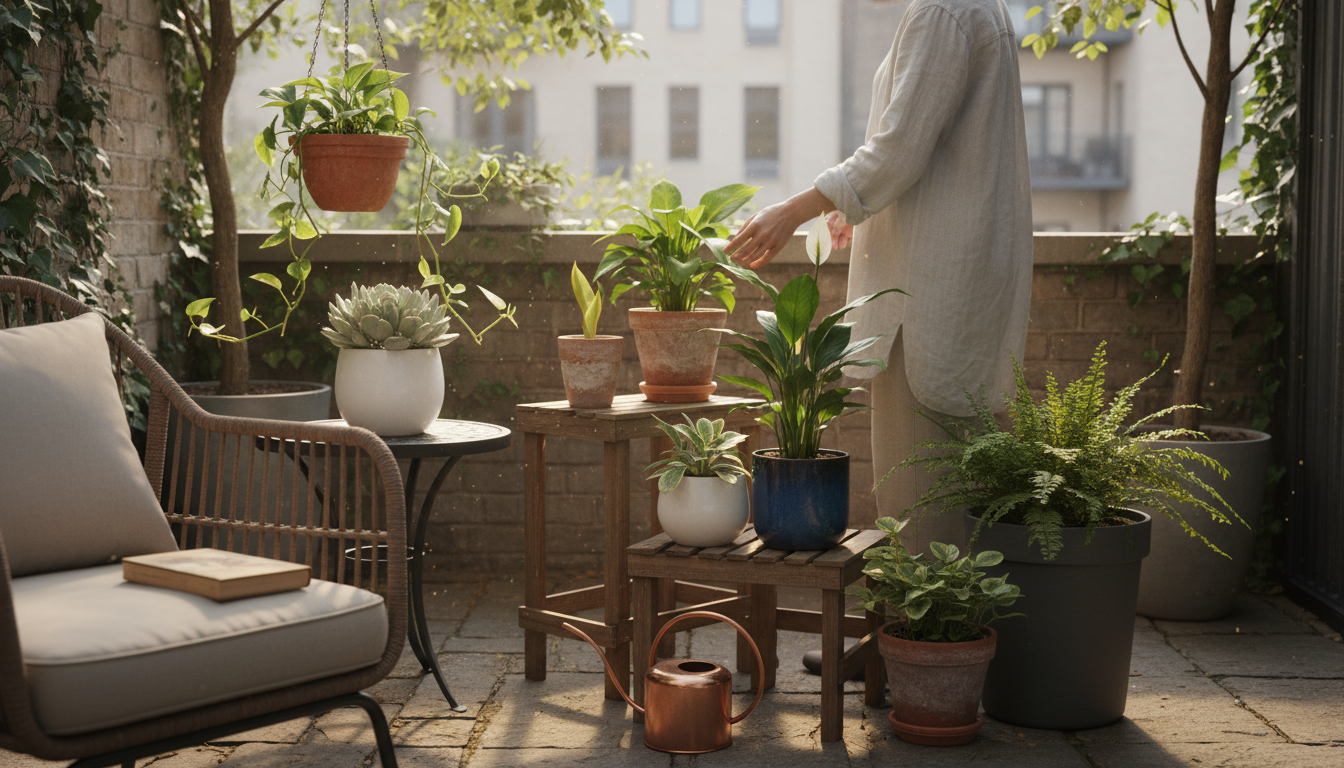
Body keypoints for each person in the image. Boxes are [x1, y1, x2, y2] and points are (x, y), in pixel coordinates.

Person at [726, 0, 1033, 556]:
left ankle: (917, 641)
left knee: (921, 509)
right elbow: (933, 148)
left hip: (925, 295)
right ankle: (942, 640)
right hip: (954, 280)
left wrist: (793, 211)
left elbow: (899, 149)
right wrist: (852, 207)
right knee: (959, 502)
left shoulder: (942, 10)